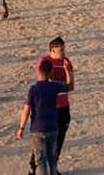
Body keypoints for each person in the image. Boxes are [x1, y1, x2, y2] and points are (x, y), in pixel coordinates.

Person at [16, 59, 69, 175]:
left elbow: (26, 109)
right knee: (52, 159)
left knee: (41, 161)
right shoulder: (55, 86)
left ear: (38, 71)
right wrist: (68, 71)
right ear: (50, 73)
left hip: (38, 129)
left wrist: (21, 128)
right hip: (53, 128)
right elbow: (69, 86)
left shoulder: (33, 89)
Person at [33, 37, 74, 172]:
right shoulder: (44, 62)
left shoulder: (66, 62)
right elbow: (42, 83)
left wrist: (68, 71)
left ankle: (54, 168)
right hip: (49, 108)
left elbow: (71, 86)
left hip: (63, 107)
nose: (63, 52)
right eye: (60, 50)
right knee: (41, 142)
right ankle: (33, 168)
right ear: (52, 50)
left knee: (58, 141)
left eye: (64, 49)